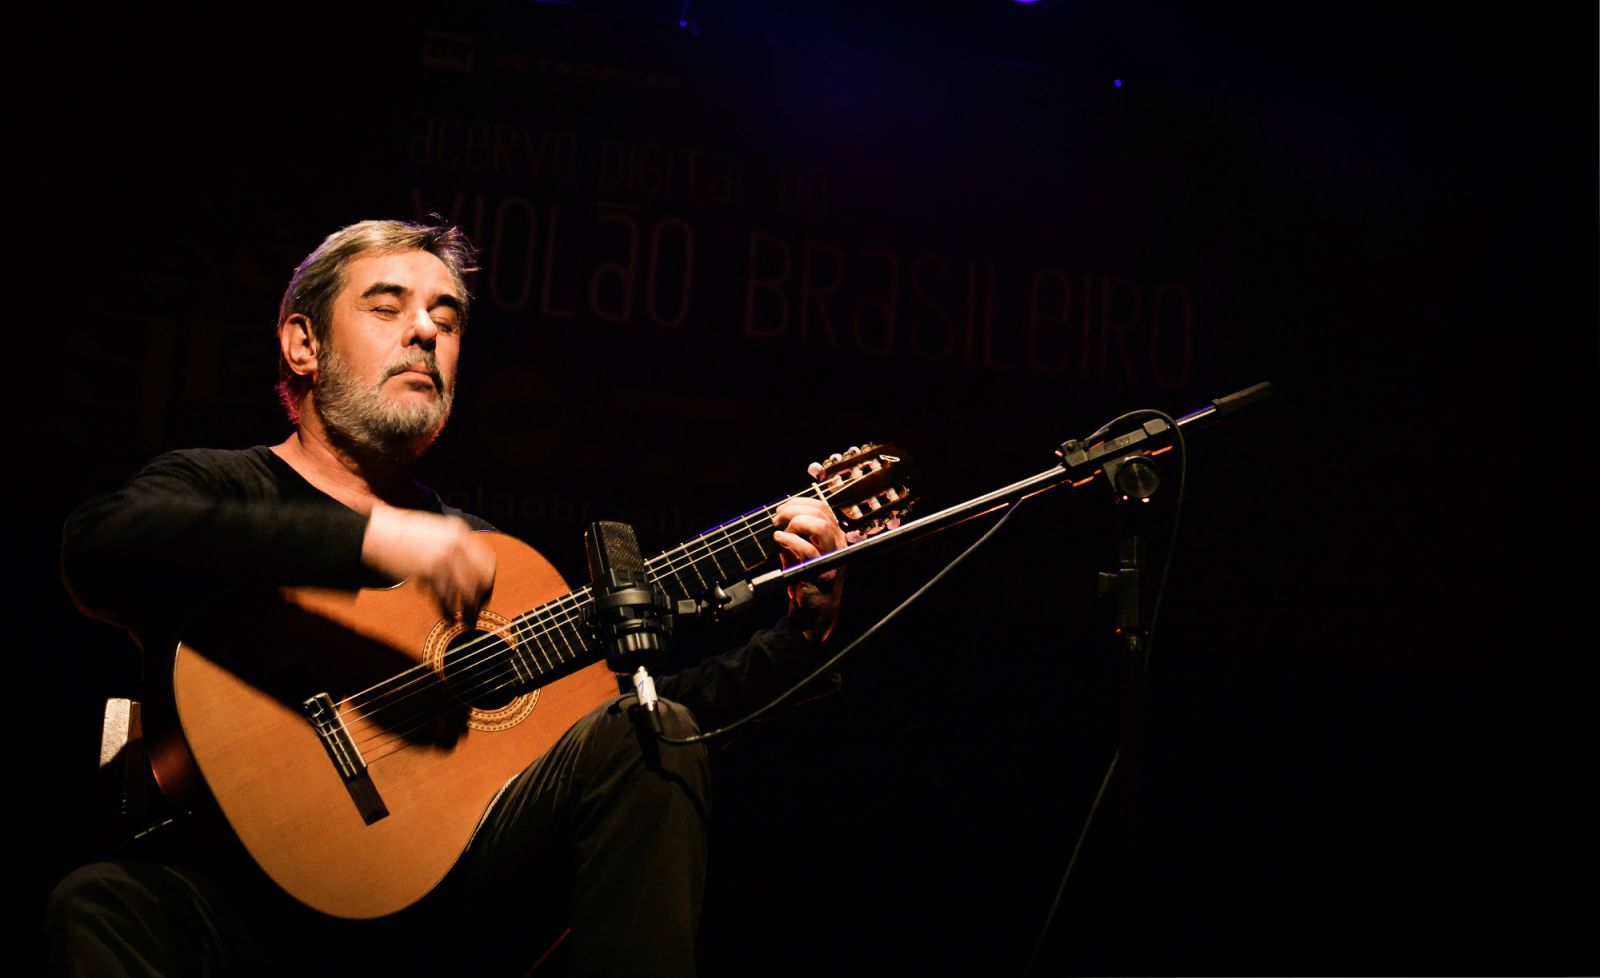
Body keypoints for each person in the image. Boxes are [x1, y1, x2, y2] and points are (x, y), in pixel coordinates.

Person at [41, 218, 847, 978]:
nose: (425, 331)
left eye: (447, 318)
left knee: (650, 731)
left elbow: (623, 728)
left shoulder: (483, 554)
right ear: (303, 343)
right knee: (98, 905)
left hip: (433, 919)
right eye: (386, 306)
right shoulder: (225, 485)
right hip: (238, 912)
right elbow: (101, 544)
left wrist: (799, 636)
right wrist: (369, 542)